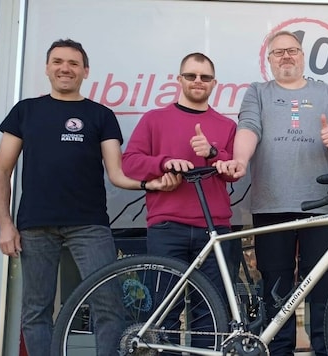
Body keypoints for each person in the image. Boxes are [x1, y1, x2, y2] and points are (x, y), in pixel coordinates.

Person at [0, 38, 176, 356]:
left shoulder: (100, 115)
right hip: (34, 226)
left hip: (89, 225)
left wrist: (151, 185)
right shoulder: (25, 112)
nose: (65, 68)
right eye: (58, 61)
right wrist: (5, 225)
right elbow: (0, 172)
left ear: (85, 71)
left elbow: (117, 174)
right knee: (36, 312)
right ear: (47, 68)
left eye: (74, 63)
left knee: (108, 306)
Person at [216, 30, 328, 355]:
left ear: (303, 56)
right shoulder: (258, 91)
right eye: (278, 52)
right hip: (271, 203)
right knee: (276, 291)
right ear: (269, 60)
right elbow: (249, 127)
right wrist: (241, 160)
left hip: (319, 205)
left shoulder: (324, 91)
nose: (286, 56)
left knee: (324, 292)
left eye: (292, 50)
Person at [122, 52, 239, 352]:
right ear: (179, 79)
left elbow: (234, 171)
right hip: (166, 227)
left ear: (214, 83)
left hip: (215, 229)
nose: (198, 81)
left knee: (212, 315)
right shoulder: (154, 119)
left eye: (205, 77)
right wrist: (164, 164)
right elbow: (130, 163)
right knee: (164, 315)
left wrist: (213, 153)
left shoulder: (226, 125)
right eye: (191, 75)